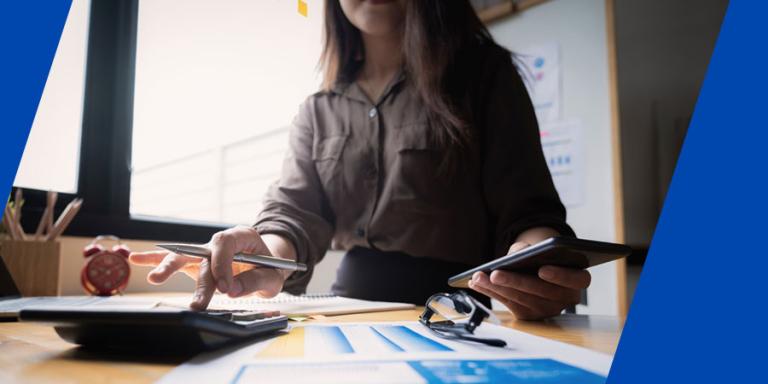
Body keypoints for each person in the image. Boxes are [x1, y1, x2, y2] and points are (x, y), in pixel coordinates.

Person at [130, 0, 591, 320]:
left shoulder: (485, 76)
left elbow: (529, 212)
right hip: (349, 308)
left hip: (462, 310)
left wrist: (533, 267)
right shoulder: (318, 108)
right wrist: (264, 258)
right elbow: (294, 214)